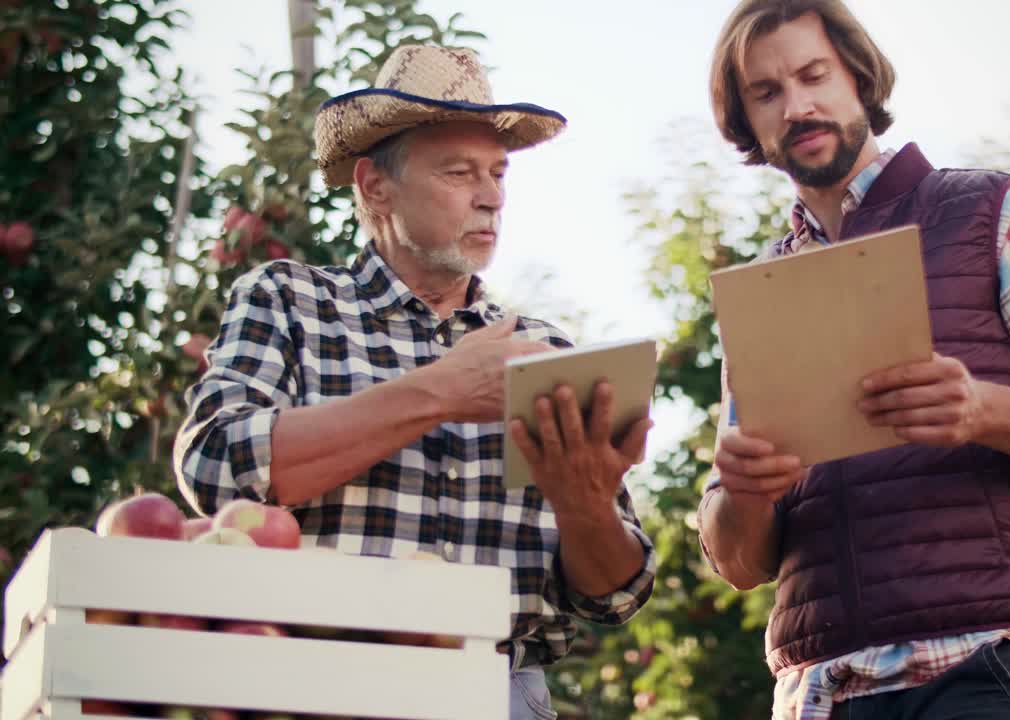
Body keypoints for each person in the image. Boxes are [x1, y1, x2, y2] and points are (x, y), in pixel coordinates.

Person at [696, 2, 1010, 718]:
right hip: (816, 697)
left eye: (814, 76)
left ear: (859, 78)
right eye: (767, 93)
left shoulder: (995, 212)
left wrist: (984, 411)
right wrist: (743, 491)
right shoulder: (760, 291)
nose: (796, 106)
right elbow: (740, 564)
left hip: (977, 674)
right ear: (747, 122)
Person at [173, 45, 656, 720]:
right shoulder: (288, 299)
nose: (491, 196)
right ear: (375, 185)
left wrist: (586, 504)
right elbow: (216, 465)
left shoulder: (544, 352)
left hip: (501, 694)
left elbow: (615, 596)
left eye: (497, 173)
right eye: (459, 172)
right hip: (313, 687)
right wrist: (443, 390)